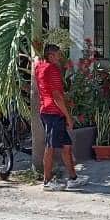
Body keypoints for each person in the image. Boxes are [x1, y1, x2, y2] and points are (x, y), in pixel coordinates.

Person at [34, 44, 87, 191]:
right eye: (58, 55)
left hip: (46, 110)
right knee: (50, 146)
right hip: (54, 112)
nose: (60, 57)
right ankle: (47, 181)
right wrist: (68, 116)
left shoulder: (39, 67)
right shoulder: (53, 70)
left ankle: (73, 178)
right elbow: (57, 96)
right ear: (51, 56)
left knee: (66, 146)